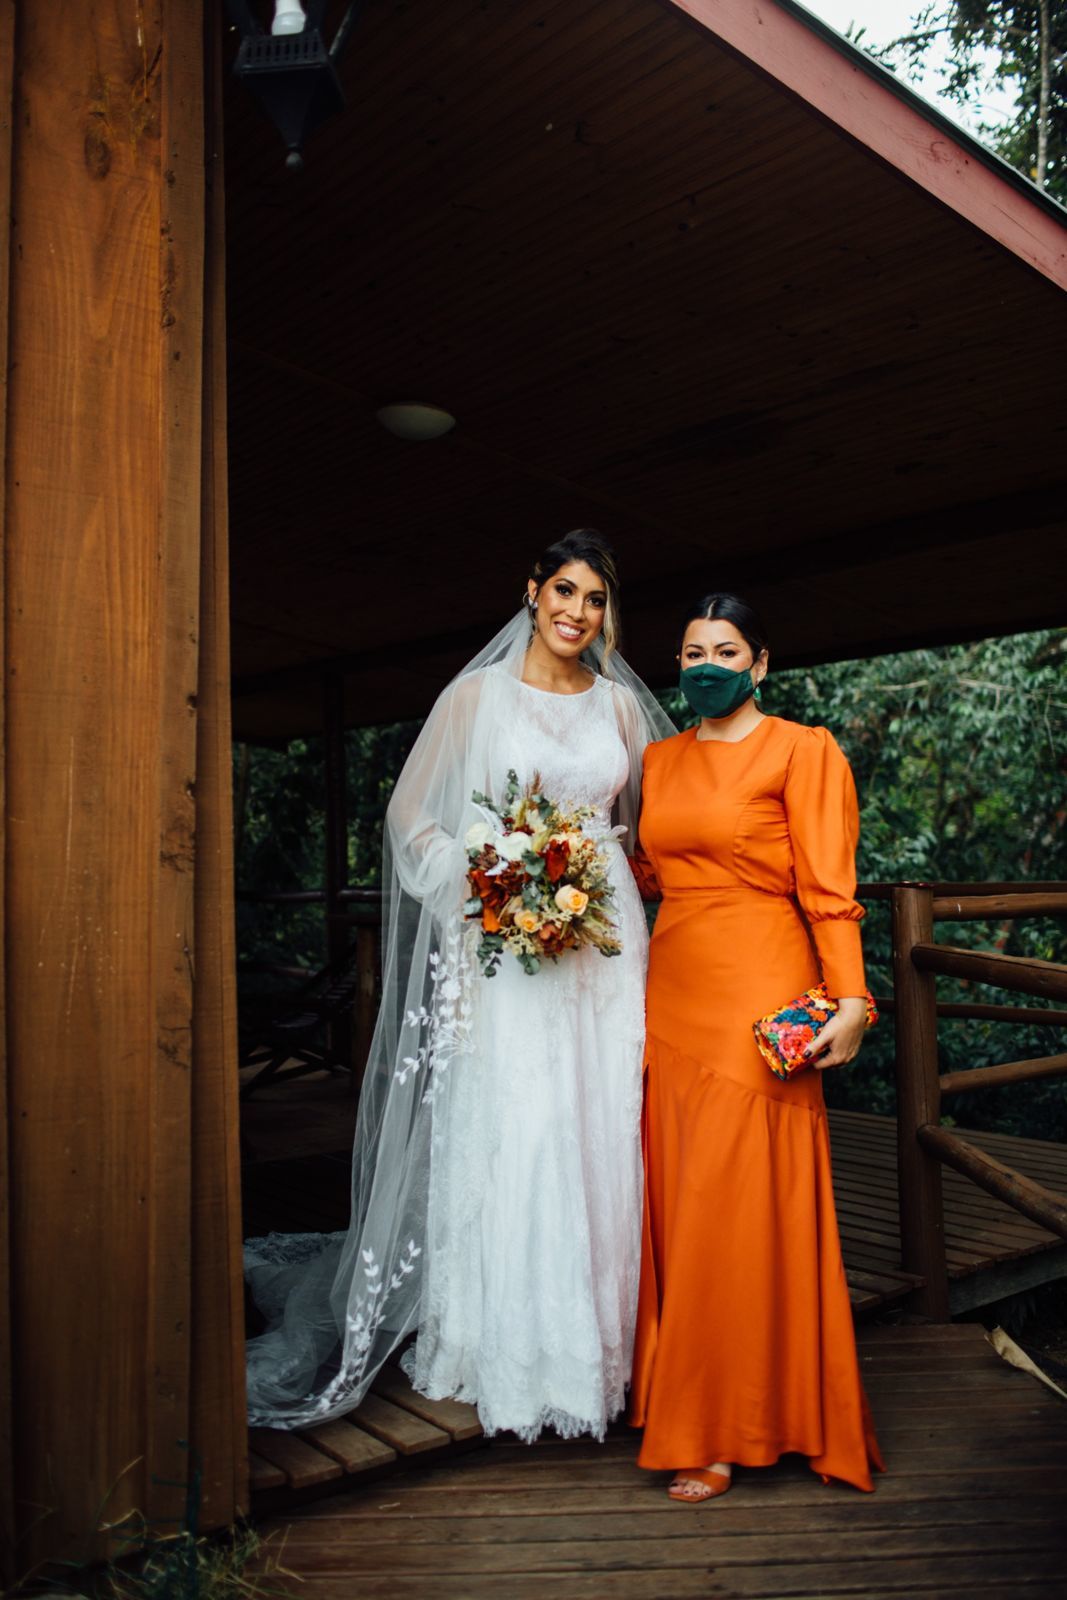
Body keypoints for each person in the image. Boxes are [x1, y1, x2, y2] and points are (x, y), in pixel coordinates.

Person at [244, 530, 674, 1440]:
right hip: (504, 942)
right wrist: (491, 879)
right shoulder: (474, 699)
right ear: (530, 592)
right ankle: (509, 1353)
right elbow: (410, 815)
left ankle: (608, 1350)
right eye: (563, 590)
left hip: (603, 949)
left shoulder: (622, 711)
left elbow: (644, 836)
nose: (576, 612)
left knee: (602, 1127)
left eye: (594, 599)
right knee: (523, 1124)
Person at [628, 592, 884, 1501]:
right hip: (672, 995)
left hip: (757, 995)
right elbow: (645, 875)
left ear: (760, 664)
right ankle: (691, 1402)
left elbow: (827, 885)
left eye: (725, 650)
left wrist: (851, 997)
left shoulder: (801, 750)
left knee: (735, 1209)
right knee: (678, 1197)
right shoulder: (657, 761)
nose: (705, 664)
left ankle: (726, 1429)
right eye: (692, 649)